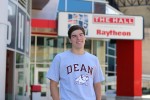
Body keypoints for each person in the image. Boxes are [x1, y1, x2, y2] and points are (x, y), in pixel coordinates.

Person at [46, 25, 105, 100]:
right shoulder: (60, 58)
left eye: (81, 35)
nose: (78, 38)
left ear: (85, 37)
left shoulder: (94, 59)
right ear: (70, 40)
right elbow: (53, 84)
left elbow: (97, 84)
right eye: (74, 36)